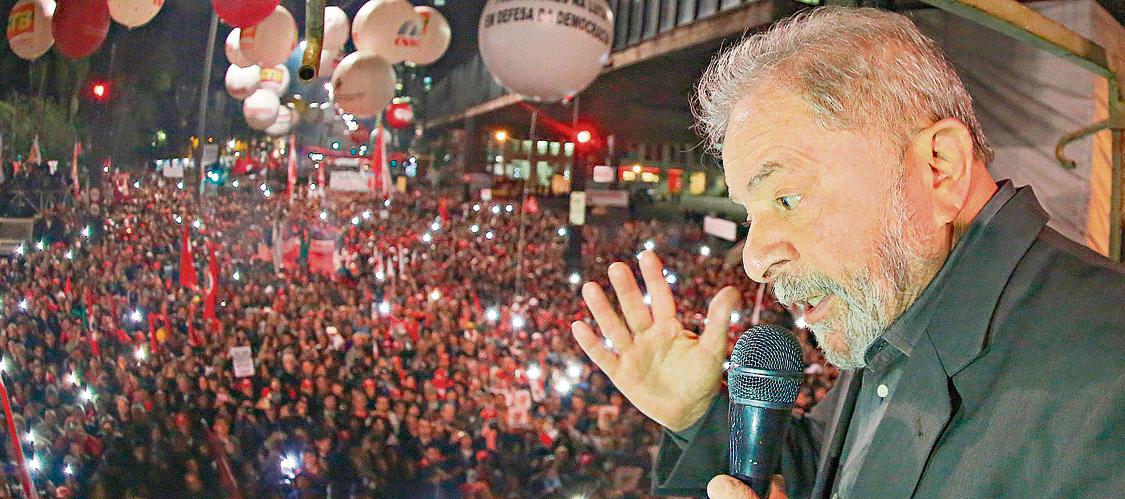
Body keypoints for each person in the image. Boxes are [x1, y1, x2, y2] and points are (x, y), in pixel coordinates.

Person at [572, 7, 1125, 499]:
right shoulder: (900, 307)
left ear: (941, 167)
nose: (754, 260)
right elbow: (832, 471)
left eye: (787, 197)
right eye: (750, 213)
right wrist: (702, 420)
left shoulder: (1110, 378)